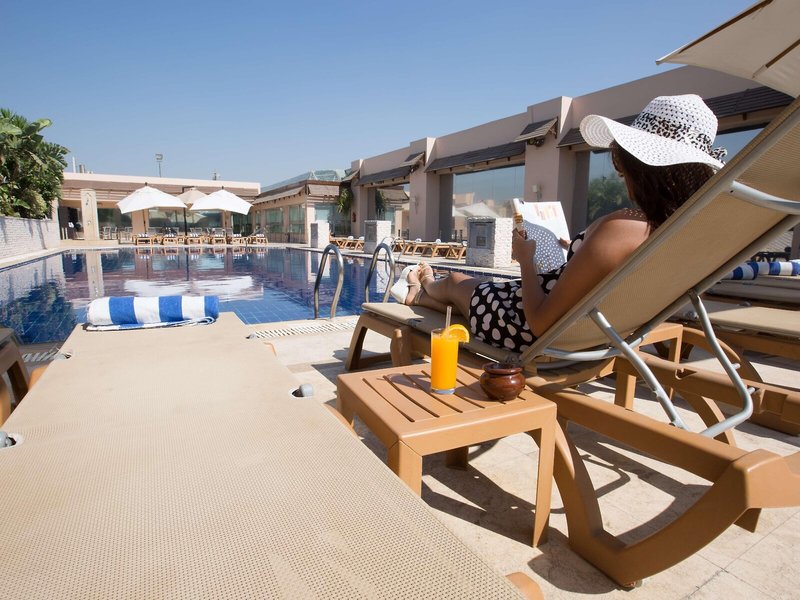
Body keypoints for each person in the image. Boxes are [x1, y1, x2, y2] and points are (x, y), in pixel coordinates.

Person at [401, 94, 727, 352]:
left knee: (456, 280)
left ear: (644, 170)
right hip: (598, 332)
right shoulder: (677, 231)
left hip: (528, 327)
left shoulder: (621, 229)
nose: (621, 175)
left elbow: (540, 323)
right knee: (466, 294)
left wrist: (525, 260)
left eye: (623, 167)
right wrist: (575, 249)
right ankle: (420, 293)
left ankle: (423, 285)